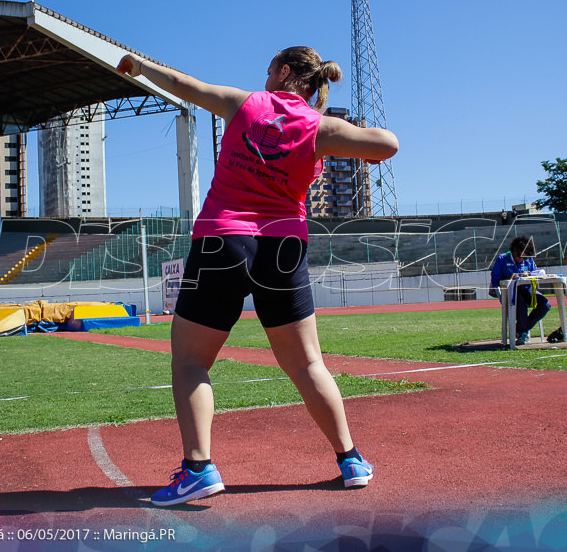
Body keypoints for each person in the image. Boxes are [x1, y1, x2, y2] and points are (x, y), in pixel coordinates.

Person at [115, 46, 399, 506]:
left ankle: (198, 469)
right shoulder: (319, 126)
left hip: (223, 240)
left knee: (191, 361)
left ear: (285, 71)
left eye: (269, 70)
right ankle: (351, 461)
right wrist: (331, 132)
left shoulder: (245, 104)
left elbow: (188, 87)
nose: (265, 77)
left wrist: (142, 67)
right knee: (307, 364)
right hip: (284, 246)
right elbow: (387, 144)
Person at [489, 236, 551, 346]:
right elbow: (495, 280)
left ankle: (520, 330)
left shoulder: (529, 260)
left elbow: (535, 273)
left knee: (545, 304)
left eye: (524, 257)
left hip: (528, 291)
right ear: (513, 250)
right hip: (511, 293)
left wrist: (530, 275)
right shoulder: (502, 259)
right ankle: (522, 332)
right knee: (520, 302)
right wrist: (510, 277)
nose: (521, 259)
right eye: (519, 256)